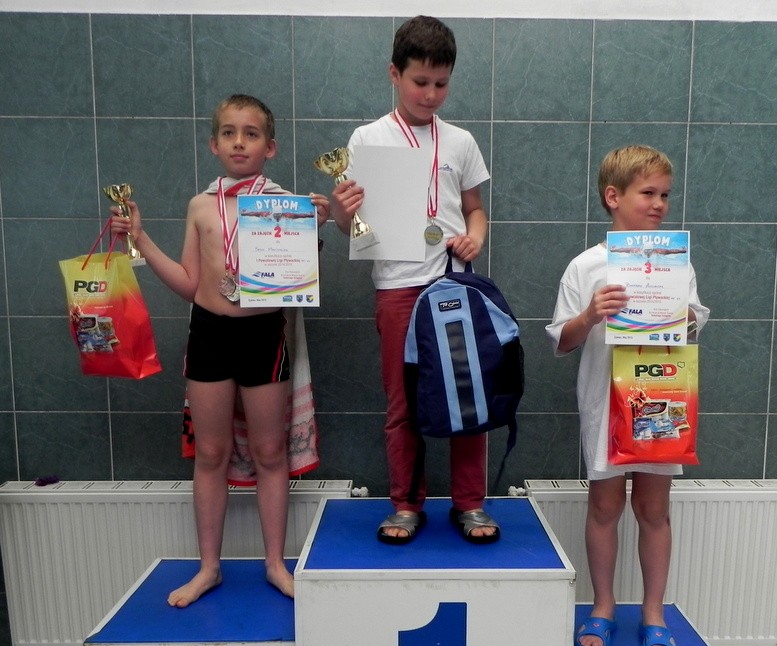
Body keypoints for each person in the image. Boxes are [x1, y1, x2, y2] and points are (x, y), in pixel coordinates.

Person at [110, 94, 329, 605]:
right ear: (213, 144)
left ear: (270, 147)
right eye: (229, 133)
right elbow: (189, 284)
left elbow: (297, 279)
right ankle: (209, 567)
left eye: (251, 133)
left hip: (264, 335)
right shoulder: (200, 206)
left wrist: (314, 227)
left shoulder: (285, 204)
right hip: (210, 333)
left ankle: (275, 564)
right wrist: (141, 238)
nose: (239, 142)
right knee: (211, 453)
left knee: (270, 452)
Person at [329, 15, 498, 545]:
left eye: (441, 83)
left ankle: (470, 502)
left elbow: (475, 210)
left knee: (466, 396)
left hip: (453, 284)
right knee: (402, 401)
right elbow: (350, 227)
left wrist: (475, 237)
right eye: (420, 81)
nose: (430, 94)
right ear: (394, 74)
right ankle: (405, 503)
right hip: (397, 287)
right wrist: (341, 211)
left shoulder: (461, 141)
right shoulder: (367, 139)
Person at [545, 145, 709, 646]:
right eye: (648, 193)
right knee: (605, 507)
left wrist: (678, 312)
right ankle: (604, 606)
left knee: (654, 510)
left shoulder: (676, 262)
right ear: (613, 197)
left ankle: (654, 613)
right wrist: (591, 315)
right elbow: (561, 340)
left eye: (665, 194)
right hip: (605, 401)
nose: (659, 204)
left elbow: (693, 325)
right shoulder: (587, 265)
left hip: (660, 396)